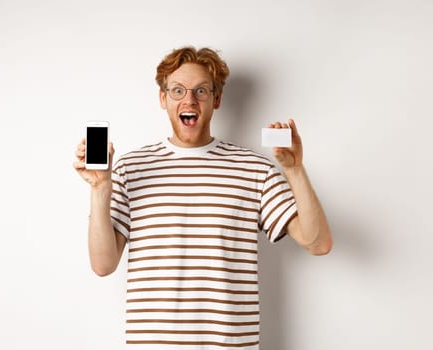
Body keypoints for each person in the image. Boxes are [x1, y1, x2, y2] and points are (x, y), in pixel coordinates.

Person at [72, 46, 333, 349]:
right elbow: (103, 265)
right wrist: (100, 188)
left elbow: (318, 243)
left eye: (201, 91)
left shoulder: (254, 169)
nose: (189, 100)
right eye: (178, 90)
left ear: (217, 99)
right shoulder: (131, 169)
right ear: (163, 99)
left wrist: (295, 169)